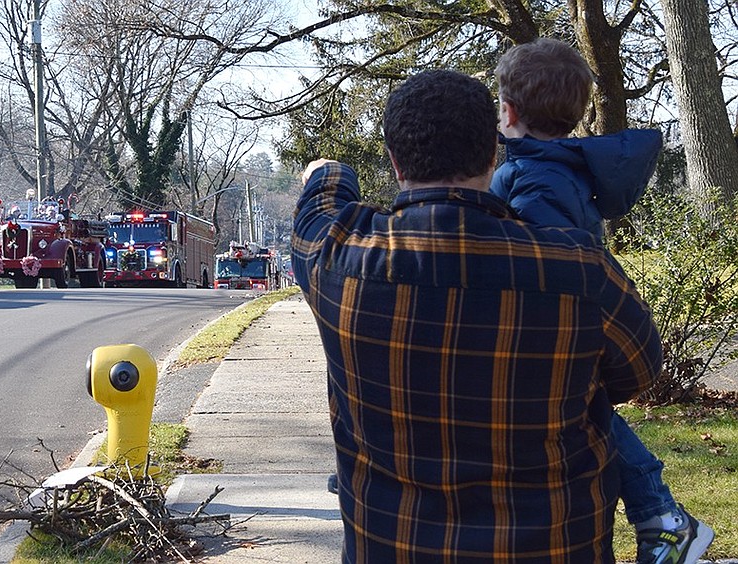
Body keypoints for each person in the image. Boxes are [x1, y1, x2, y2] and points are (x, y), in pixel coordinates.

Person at [292, 69, 662, 562]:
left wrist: (328, 170)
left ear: (395, 161)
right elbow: (638, 373)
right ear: (493, 154)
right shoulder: (579, 269)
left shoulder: (339, 259)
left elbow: (318, 206)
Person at [493, 38, 713, 564]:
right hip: (574, 322)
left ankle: (662, 514)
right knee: (591, 413)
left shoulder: (533, 175)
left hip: (550, 326)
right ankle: (661, 514)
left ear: (509, 111)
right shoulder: (556, 168)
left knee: (590, 414)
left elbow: (541, 260)